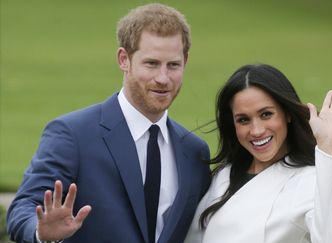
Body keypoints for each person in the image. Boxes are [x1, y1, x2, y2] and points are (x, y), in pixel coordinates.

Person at [7, 3, 211, 243]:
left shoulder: (195, 151)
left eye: (173, 65)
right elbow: (25, 207)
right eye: (152, 63)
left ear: (185, 61)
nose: (163, 78)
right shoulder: (72, 135)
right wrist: (40, 233)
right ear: (124, 59)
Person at [185, 64, 332, 243]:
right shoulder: (223, 175)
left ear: (287, 113)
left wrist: (327, 147)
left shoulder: (310, 180)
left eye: (266, 114)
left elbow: (331, 238)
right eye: (243, 120)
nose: (256, 130)